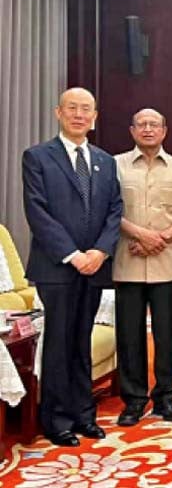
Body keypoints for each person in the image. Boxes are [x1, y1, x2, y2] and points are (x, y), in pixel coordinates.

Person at [22, 87, 122, 447]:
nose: (80, 115)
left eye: (86, 110)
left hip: (95, 267)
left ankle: (84, 414)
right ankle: (56, 419)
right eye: (72, 109)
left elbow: (115, 211)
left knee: (82, 341)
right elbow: (38, 212)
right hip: (57, 268)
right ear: (58, 113)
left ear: (94, 116)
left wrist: (100, 251)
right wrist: (72, 254)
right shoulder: (37, 157)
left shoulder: (105, 161)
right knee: (60, 344)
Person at [113, 109, 172, 426]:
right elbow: (108, 211)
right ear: (132, 130)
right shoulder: (116, 166)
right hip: (128, 263)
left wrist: (158, 239)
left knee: (166, 336)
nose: (148, 129)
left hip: (167, 266)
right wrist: (140, 236)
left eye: (155, 124)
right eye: (142, 124)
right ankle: (134, 401)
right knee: (129, 337)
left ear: (164, 131)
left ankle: (165, 398)